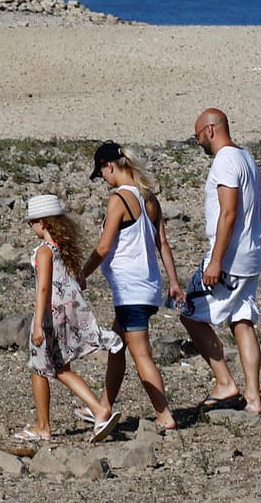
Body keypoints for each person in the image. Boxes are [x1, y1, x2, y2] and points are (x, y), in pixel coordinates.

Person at [78, 142, 182, 433]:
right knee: (116, 345)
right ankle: (103, 407)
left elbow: (104, 246)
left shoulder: (118, 201)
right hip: (148, 287)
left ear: (109, 166)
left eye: (101, 174)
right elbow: (163, 244)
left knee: (141, 355)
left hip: (130, 291)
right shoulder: (149, 199)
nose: (103, 180)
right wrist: (173, 282)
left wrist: (82, 274)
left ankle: (164, 414)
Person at [14, 194, 123, 443]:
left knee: (38, 368)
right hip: (66, 315)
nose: (31, 227)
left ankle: (43, 426)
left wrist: (39, 324)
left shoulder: (44, 252)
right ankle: (98, 409)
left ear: (42, 223)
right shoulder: (64, 250)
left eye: (32, 222)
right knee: (61, 368)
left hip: (50, 316)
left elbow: (43, 288)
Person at [179, 107, 261, 414]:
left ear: (210, 130)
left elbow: (229, 212)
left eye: (198, 136)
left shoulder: (226, 160)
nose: (199, 142)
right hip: (251, 256)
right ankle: (254, 398)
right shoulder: (247, 158)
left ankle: (225, 382)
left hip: (229, 258)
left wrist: (215, 261)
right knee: (242, 322)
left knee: (189, 313)